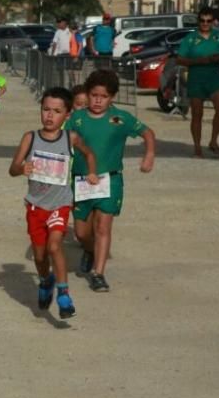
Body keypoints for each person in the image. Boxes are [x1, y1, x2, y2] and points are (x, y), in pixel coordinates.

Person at [8, 87, 98, 320]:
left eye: (57, 111)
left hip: (60, 204)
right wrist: (21, 169)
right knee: (40, 257)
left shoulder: (71, 138)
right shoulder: (30, 138)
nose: (50, 115)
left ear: (67, 115)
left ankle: (64, 295)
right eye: (46, 109)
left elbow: (89, 154)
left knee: (55, 246)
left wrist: (91, 173)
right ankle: (45, 280)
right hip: (36, 206)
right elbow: (12, 169)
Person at [66, 69, 155, 293]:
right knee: (82, 232)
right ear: (87, 94)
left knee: (103, 227)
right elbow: (62, 142)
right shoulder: (77, 118)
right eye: (94, 95)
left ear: (112, 97)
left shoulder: (120, 118)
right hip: (82, 180)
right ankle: (90, 250)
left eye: (103, 96)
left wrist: (149, 154)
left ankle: (98, 273)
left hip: (110, 180)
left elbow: (147, 133)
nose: (98, 100)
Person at [176, 7, 219, 157]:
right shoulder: (190, 38)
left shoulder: (218, 36)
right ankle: (197, 146)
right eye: (202, 20)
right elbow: (179, 59)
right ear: (198, 21)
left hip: (214, 77)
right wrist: (199, 60)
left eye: (208, 21)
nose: (205, 23)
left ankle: (213, 141)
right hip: (196, 78)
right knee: (197, 114)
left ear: (213, 22)